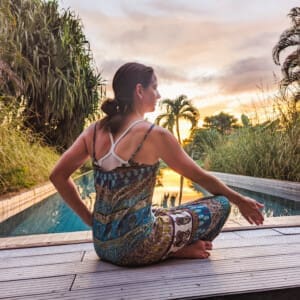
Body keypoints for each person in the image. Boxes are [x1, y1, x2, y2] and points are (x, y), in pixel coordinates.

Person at [50, 62, 264, 267]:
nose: (159, 94)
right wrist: (239, 200)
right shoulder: (154, 135)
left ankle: (167, 247)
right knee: (221, 204)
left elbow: (58, 175)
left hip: (103, 246)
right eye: (155, 87)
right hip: (138, 246)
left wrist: (92, 221)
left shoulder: (94, 131)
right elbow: (201, 177)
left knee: (158, 211)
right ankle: (175, 251)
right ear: (139, 90)